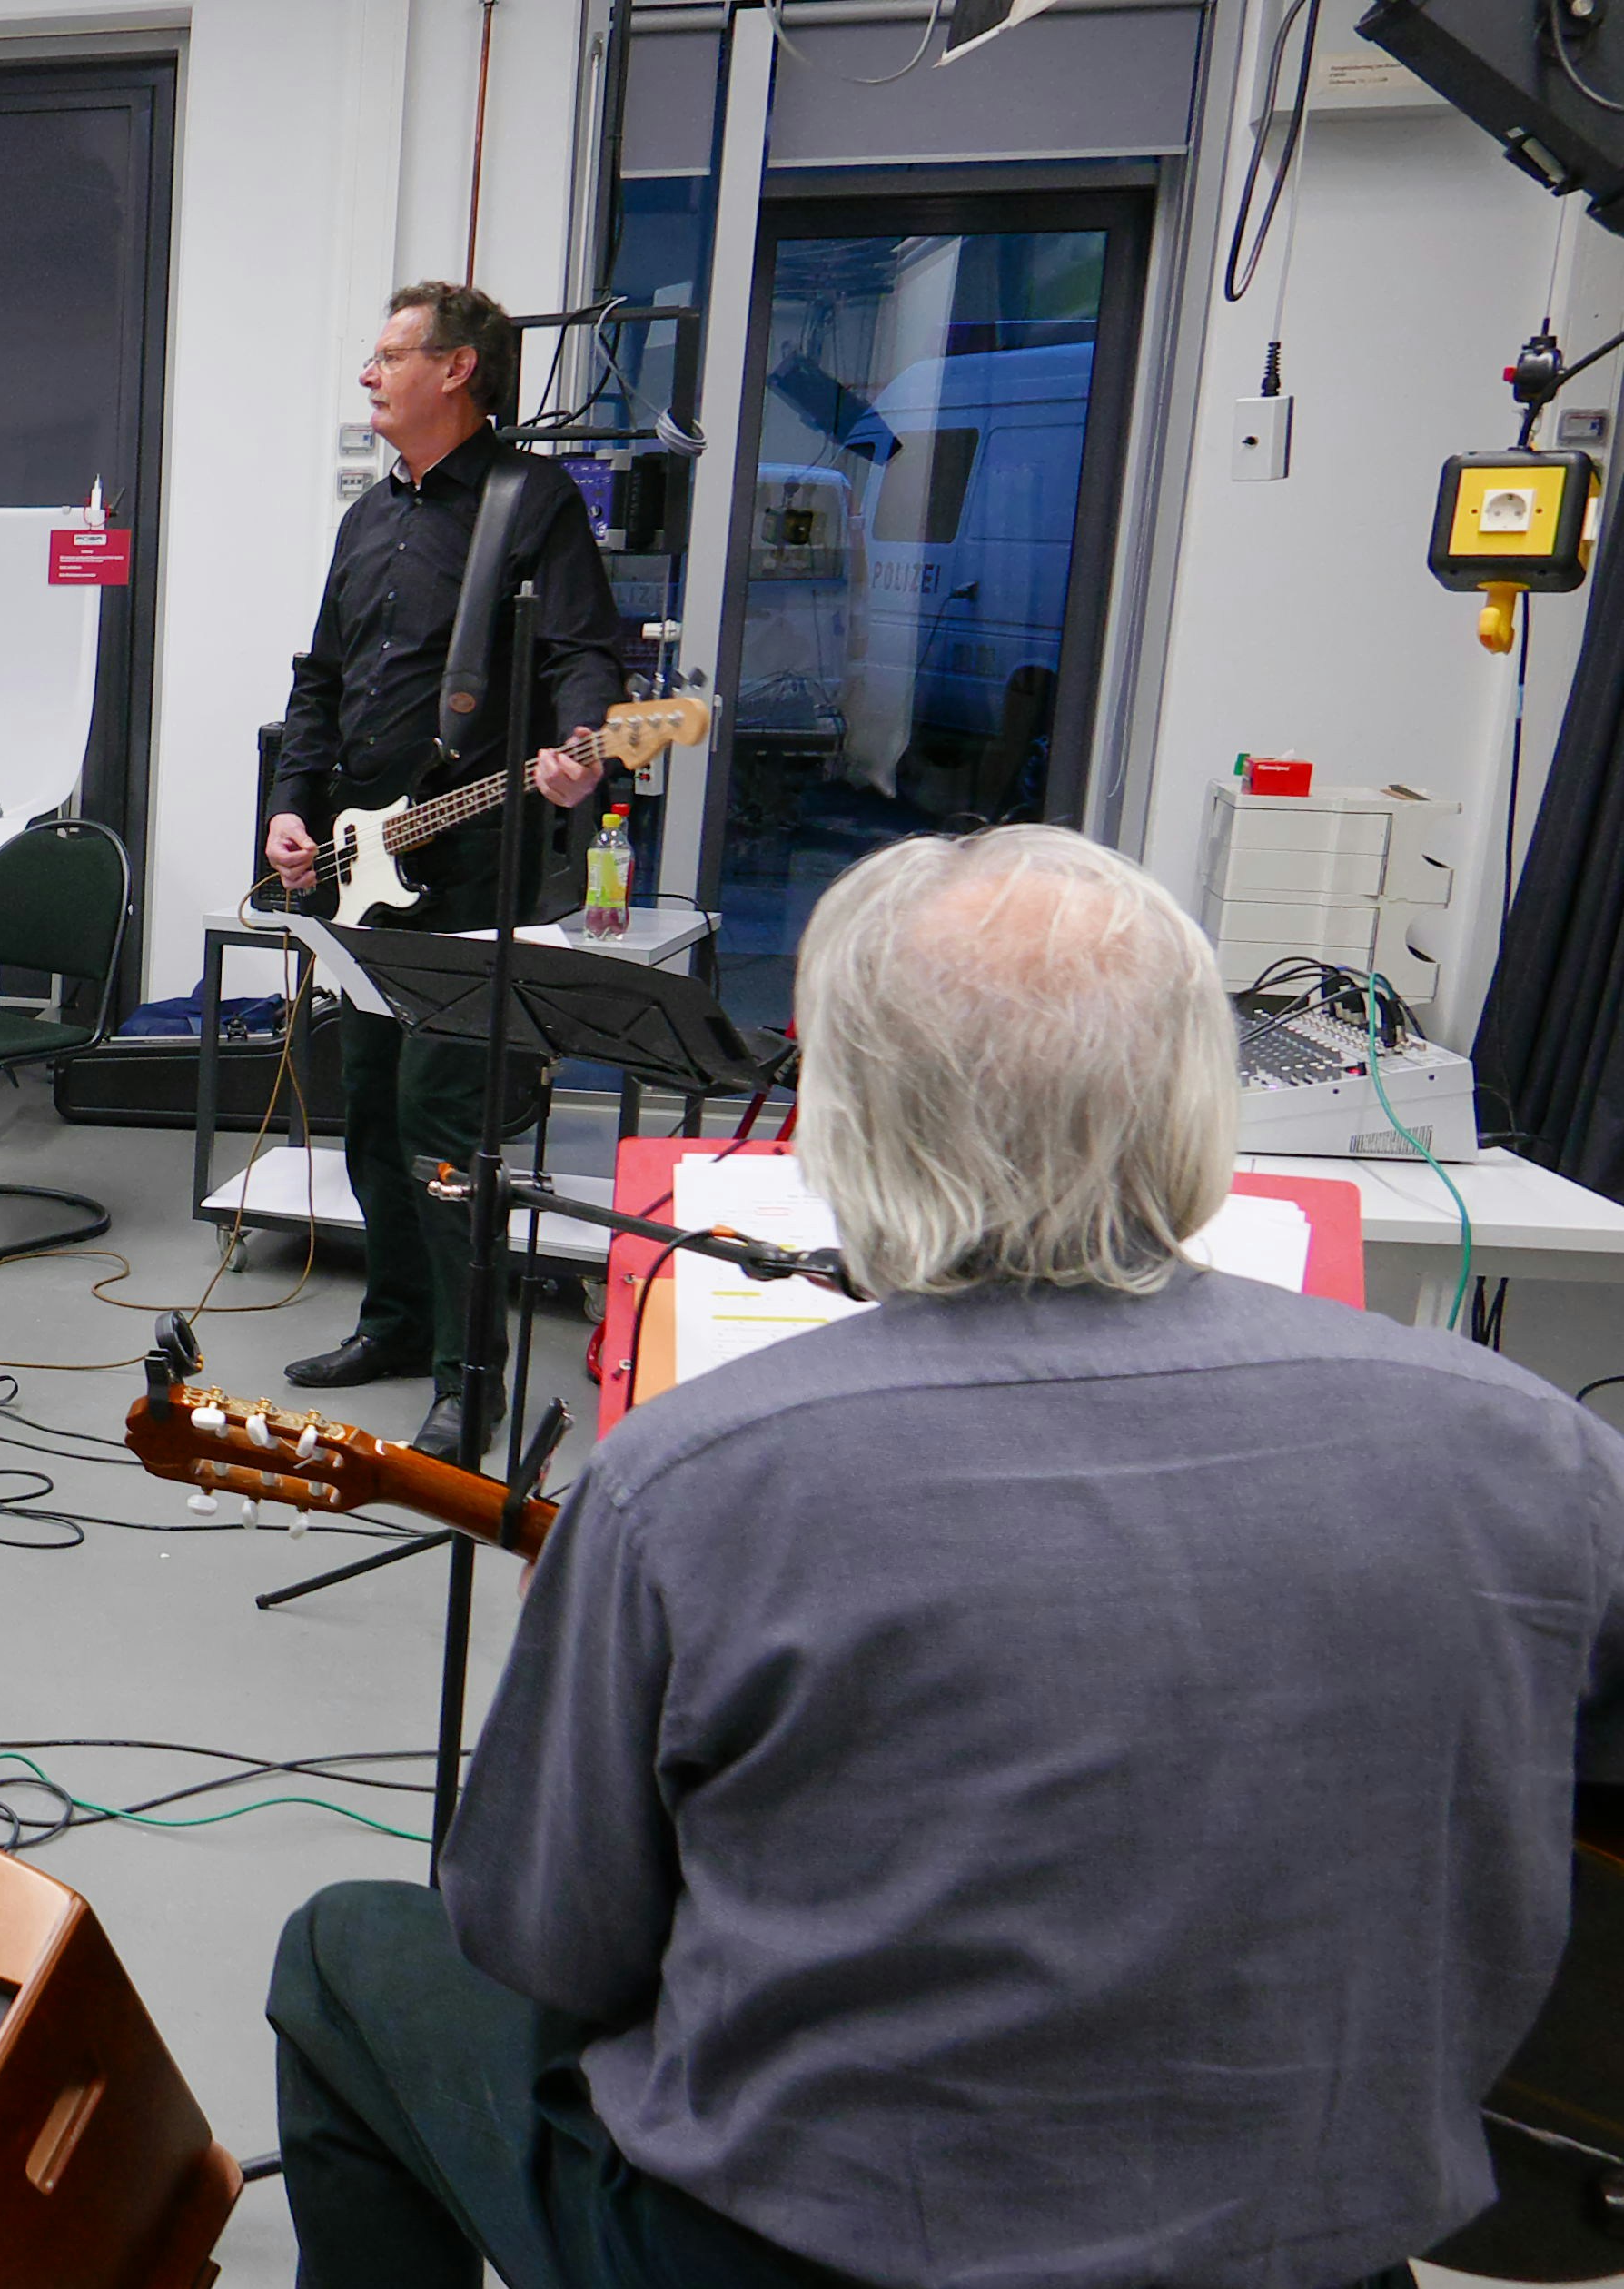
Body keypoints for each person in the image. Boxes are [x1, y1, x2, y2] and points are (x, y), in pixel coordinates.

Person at [264, 827, 1624, 2289]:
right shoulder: (1535, 1448)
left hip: (806, 2259)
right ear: (1196, 1097)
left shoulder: (693, 1483)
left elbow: (548, 1947)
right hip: (1315, 2257)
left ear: (848, 1119)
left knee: (346, 1955)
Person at [263, 282, 627, 1461]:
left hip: (480, 873)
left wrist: (585, 750)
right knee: (369, 1099)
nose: (369, 375)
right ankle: (400, 1324)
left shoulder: (531, 502)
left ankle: (474, 1378)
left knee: (443, 1117)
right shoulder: (368, 520)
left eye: (389, 356)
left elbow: (585, 654)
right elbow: (321, 681)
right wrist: (292, 807)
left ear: (458, 370)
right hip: (363, 869)